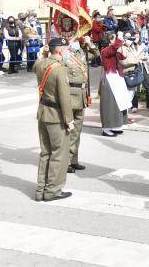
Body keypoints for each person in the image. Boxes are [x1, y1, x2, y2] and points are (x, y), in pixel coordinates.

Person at [34, 37, 75, 202]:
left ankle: (40, 190)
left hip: (43, 112)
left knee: (45, 153)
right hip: (56, 116)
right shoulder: (59, 69)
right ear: (59, 50)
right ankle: (53, 190)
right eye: (66, 49)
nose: (68, 52)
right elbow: (64, 97)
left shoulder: (39, 64)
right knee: (59, 154)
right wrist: (69, 119)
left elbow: (38, 63)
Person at [66, 36, 98, 173]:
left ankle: (74, 160)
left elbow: (96, 55)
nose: (75, 42)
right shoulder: (65, 54)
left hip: (82, 94)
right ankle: (65, 161)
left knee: (77, 130)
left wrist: (89, 43)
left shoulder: (81, 52)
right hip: (70, 93)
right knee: (68, 129)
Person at [99, 32, 126, 137]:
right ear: (110, 40)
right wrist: (119, 40)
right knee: (110, 105)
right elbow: (112, 49)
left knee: (119, 103)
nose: (116, 40)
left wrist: (125, 45)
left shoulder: (114, 49)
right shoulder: (105, 50)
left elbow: (123, 57)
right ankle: (106, 129)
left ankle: (116, 126)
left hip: (117, 77)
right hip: (109, 79)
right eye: (114, 38)